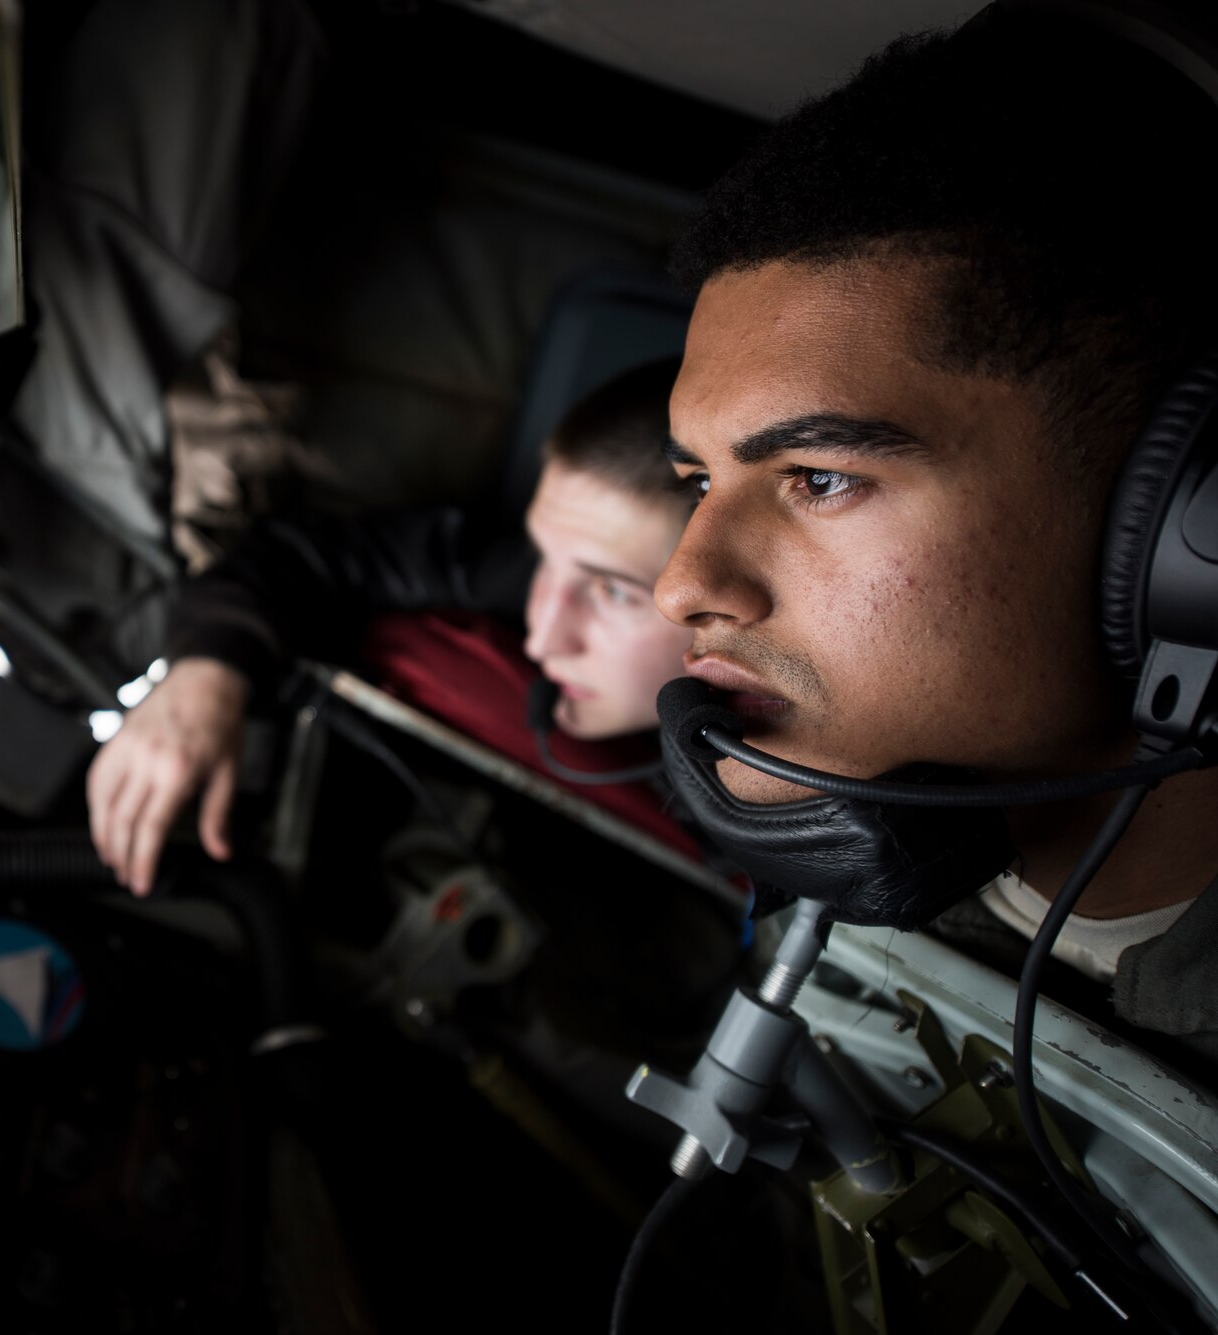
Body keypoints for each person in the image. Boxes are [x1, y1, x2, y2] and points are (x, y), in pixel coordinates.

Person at [653, 11, 1218, 1070]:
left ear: (1185, 518)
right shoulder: (851, 903)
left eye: (818, 477)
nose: (679, 585)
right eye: (696, 480)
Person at [85, 359, 697, 896]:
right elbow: (300, 558)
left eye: (614, 592)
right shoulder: (548, 571)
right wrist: (206, 674)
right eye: (543, 562)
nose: (543, 638)